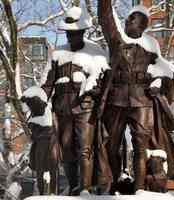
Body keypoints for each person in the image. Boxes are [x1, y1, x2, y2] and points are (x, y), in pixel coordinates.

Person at [97, 1, 174, 194]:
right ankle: (114, 185)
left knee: (140, 148)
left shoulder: (151, 47)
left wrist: (158, 82)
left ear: (142, 24)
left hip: (142, 102)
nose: (127, 20)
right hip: (116, 100)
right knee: (111, 146)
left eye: (132, 18)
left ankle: (139, 189)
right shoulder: (117, 39)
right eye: (128, 18)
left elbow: (168, 72)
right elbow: (105, 16)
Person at [41, 5, 112, 195]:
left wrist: (95, 89)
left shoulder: (95, 53)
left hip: (85, 108)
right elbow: (47, 84)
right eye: (68, 34)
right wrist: (39, 100)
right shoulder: (57, 54)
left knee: (85, 149)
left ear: (82, 32)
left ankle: (85, 188)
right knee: (67, 150)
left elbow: (105, 80)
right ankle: (74, 185)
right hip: (63, 109)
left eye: (74, 33)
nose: (70, 37)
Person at [21, 86, 60, 195]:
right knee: (40, 168)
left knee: (50, 168)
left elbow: (47, 126)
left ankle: (51, 193)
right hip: (41, 143)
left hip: (48, 142)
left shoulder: (46, 112)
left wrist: (33, 125)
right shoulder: (35, 113)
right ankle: (43, 193)